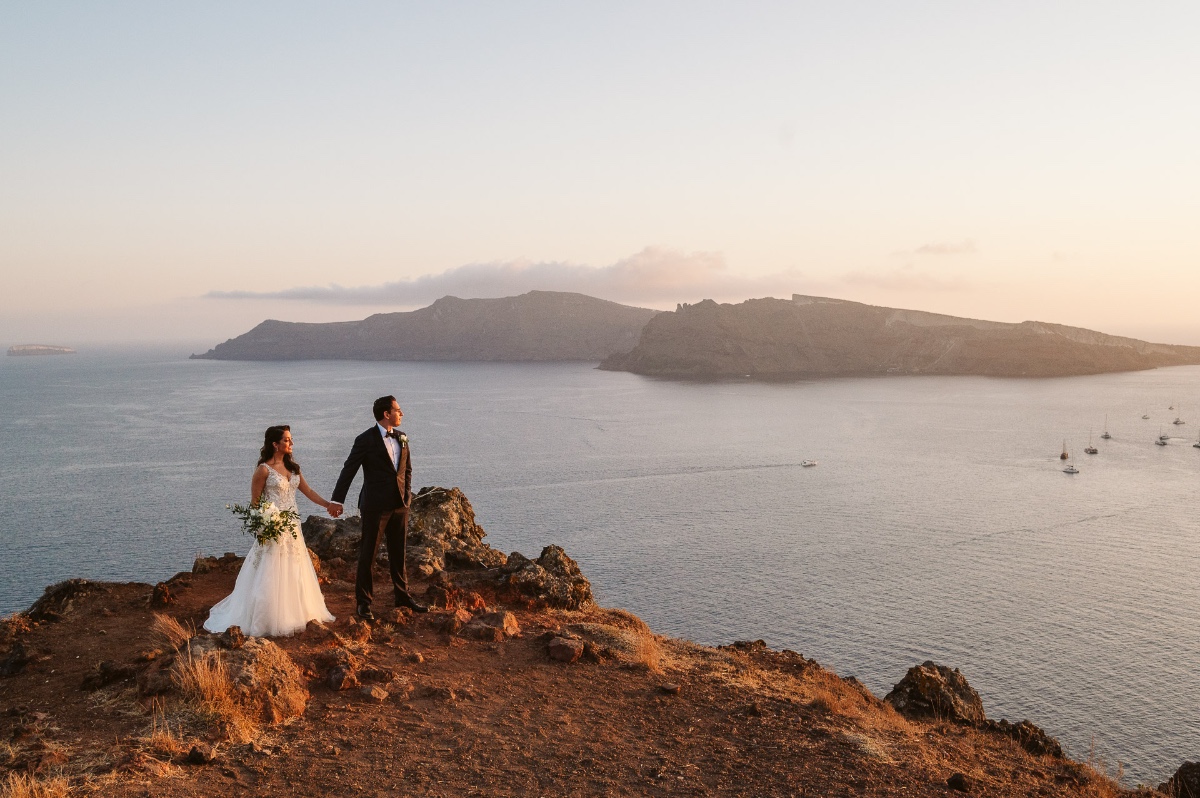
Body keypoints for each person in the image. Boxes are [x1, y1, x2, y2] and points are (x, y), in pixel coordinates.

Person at [204, 425, 337, 637]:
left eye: (291, 439)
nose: (291, 443)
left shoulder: (294, 469)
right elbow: (255, 503)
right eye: (287, 440)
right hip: (273, 528)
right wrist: (263, 526)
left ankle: (295, 613)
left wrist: (327, 505)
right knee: (270, 571)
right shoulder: (263, 470)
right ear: (275, 444)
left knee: (294, 567)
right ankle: (269, 617)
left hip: (292, 526)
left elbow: (308, 491)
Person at [329, 395, 427, 620]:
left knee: (398, 553)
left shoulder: (402, 438)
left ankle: (402, 596)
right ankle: (364, 604)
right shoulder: (365, 439)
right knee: (368, 555)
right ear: (387, 414)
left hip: (400, 505)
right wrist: (337, 500)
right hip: (374, 506)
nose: (402, 414)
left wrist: (407, 496)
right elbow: (349, 469)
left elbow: (407, 470)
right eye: (398, 410)